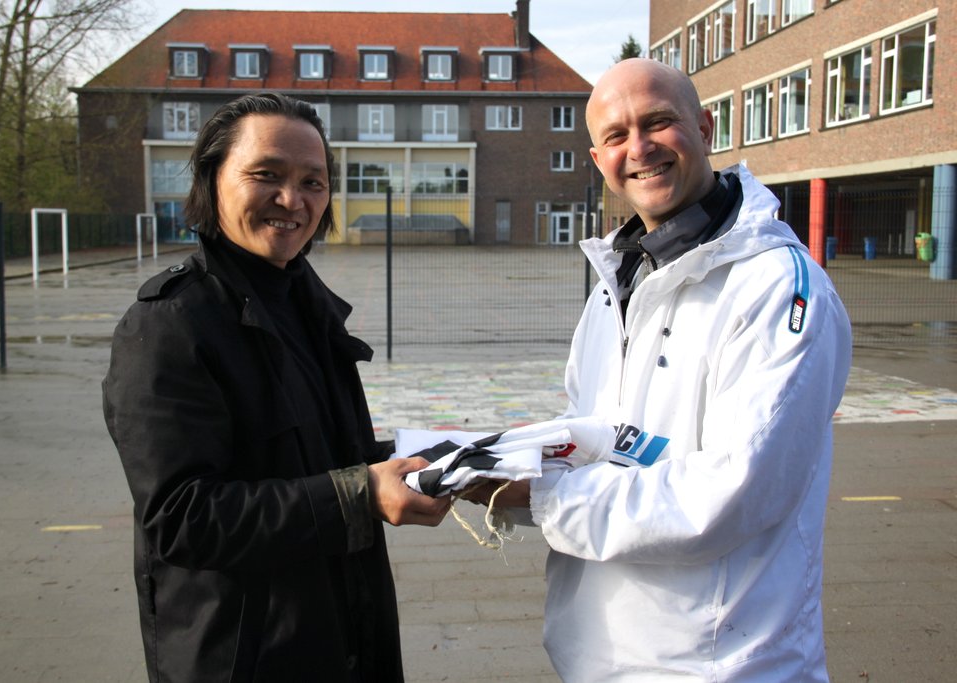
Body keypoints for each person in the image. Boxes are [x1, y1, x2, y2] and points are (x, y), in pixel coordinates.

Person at [472, 58, 852, 681]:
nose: (639, 148)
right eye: (616, 135)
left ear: (704, 128)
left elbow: (733, 493)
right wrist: (524, 454)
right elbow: (605, 434)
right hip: (601, 654)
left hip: (720, 665)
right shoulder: (618, 281)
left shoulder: (776, 287)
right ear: (598, 160)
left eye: (659, 122)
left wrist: (541, 496)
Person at [102, 93, 450, 683]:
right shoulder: (169, 324)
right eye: (267, 175)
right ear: (213, 180)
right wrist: (360, 494)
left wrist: (443, 460)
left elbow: (324, 460)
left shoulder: (305, 307)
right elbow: (181, 517)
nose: (294, 200)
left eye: (314, 182)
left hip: (345, 640)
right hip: (246, 658)